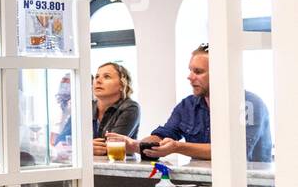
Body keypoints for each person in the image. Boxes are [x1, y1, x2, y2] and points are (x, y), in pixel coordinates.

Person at [113, 43, 272, 161]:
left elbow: (236, 151)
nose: (190, 77)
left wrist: (178, 147)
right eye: (190, 70)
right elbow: (163, 135)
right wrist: (136, 144)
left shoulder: (249, 105)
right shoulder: (187, 105)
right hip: (205, 186)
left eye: (198, 72)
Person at [89, 61, 141, 157]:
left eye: (107, 76)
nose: (98, 81)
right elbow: (66, 142)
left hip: (119, 166)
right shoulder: (87, 107)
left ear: (122, 85)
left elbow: (112, 145)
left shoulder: (130, 107)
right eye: (96, 77)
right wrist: (87, 147)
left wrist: (85, 147)